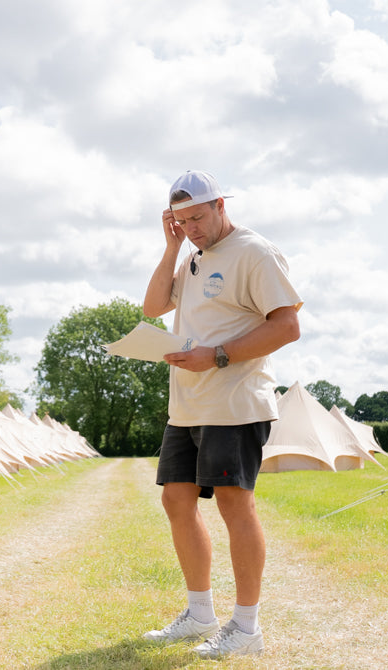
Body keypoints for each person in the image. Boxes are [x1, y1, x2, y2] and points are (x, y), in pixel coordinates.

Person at [140, 170, 302, 659]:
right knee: (176, 500)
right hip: (187, 406)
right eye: (180, 220)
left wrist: (218, 355)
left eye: (196, 217)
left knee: (235, 505)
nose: (190, 227)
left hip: (235, 401)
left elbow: (288, 326)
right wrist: (170, 249)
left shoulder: (254, 252)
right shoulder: (190, 257)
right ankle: (199, 615)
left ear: (220, 206)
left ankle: (247, 628)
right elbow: (151, 307)